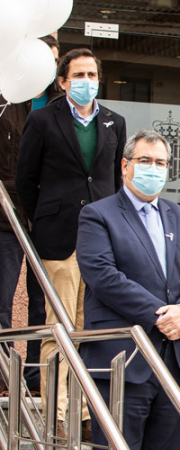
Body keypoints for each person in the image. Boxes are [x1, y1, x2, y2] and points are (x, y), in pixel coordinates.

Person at [76, 130, 180, 450]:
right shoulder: (97, 215)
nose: (153, 169)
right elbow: (102, 275)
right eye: (145, 161)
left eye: (161, 163)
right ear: (125, 166)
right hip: (124, 361)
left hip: (179, 363)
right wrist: (160, 315)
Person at [17, 47, 127, 437]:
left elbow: (114, 182)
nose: (86, 82)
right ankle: (56, 413)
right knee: (57, 327)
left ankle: (83, 413)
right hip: (58, 237)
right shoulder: (43, 119)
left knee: (86, 328)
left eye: (92, 75)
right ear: (62, 82)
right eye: (78, 75)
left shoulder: (115, 122)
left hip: (100, 240)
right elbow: (25, 180)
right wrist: (43, 217)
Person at [0, 35, 61, 394]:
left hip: (48, 215)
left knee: (42, 303)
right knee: (3, 299)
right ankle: (4, 373)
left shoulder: (60, 105)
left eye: (53, 60)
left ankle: (36, 376)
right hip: (7, 217)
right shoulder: (7, 101)